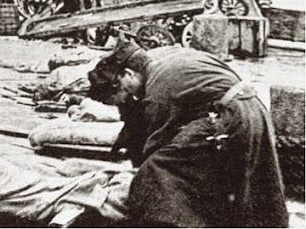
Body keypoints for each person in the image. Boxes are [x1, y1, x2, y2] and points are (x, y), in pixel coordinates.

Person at [86, 38, 288, 227]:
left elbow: (156, 143)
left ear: (129, 74)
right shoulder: (165, 57)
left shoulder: (158, 92)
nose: (127, 96)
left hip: (229, 116)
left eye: (124, 90)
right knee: (252, 180)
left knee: (157, 168)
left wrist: (137, 175)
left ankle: (182, 221)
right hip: (253, 107)